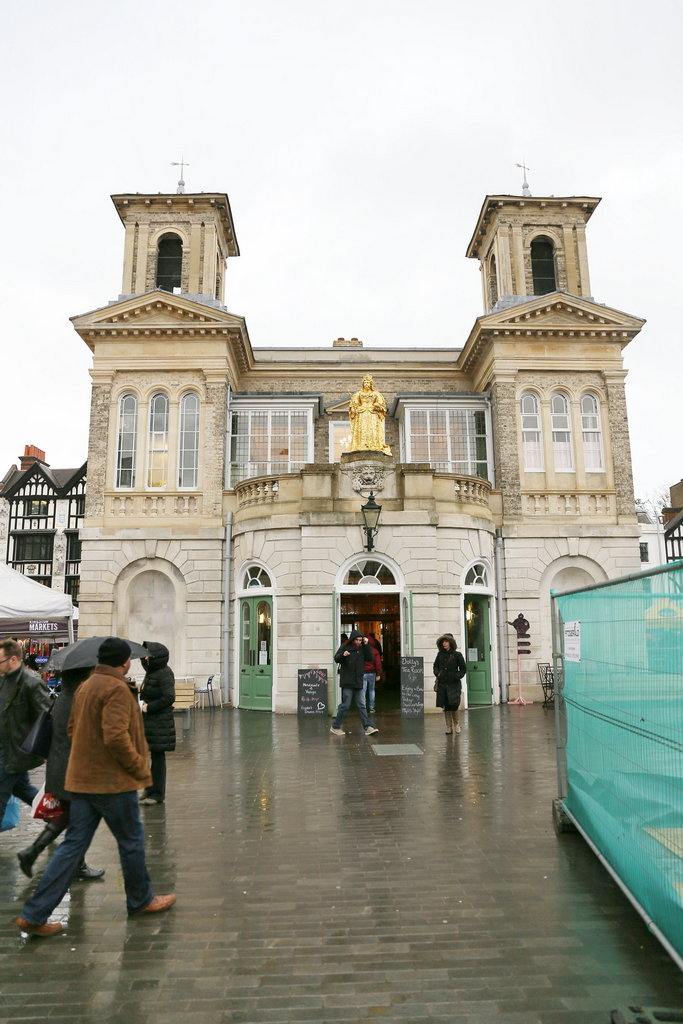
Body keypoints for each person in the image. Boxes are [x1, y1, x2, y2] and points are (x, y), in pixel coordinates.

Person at [15, 636, 176, 937]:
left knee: (73, 845)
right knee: (131, 841)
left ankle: (34, 914)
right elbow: (115, 737)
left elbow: (74, 729)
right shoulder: (115, 688)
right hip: (111, 782)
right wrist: (138, 767)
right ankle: (141, 899)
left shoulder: (85, 686)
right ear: (123, 661)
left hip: (83, 779)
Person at [17, 666, 104, 881]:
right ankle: (71, 866)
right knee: (79, 821)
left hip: (60, 768)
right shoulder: (77, 699)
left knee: (68, 817)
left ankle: (32, 852)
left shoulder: (64, 697)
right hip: (72, 770)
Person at [0, 638, 52, 825]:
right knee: (22, 789)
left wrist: (46, 750)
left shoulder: (31, 682)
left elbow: (45, 718)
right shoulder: (4, 680)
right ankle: (55, 820)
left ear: (13, 659)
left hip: (17, 751)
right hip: (5, 748)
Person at [139, 641, 176, 805]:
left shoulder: (164, 673)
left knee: (158, 758)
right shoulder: (151, 672)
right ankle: (149, 788)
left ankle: (157, 794)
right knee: (147, 755)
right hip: (149, 720)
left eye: (147, 655)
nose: (145, 658)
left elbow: (169, 697)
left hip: (160, 721)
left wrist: (149, 707)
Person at [330, 630, 379, 737]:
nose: (358, 642)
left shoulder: (362, 648)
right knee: (345, 705)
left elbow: (369, 658)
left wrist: (366, 645)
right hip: (347, 681)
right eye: (357, 640)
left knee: (361, 705)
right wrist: (343, 655)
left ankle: (367, 727)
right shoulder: (345, 646)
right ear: (353, 639)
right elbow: (336, 658)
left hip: (358, 681)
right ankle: (335, 726)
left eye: (360, 640)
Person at [348, 374, 392, 454]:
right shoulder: (358, 394)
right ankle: (360, 444)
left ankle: (374, 444)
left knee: (372, 428)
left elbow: (381, 404)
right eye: (365, 383)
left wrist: (377, 406)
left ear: (371, 384)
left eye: (368, 383)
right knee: (362, 428)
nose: (367, 384)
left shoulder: (376, 394)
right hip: (362, 413)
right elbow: (354, 404)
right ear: (363, 384)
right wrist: (354, 408)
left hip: (373, 414)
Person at [433, 633, 466, 735]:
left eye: (446, 641)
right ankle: (448, 727)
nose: (444, 643)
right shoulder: (440, 655)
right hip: (443, 684)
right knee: (446, 705)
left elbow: (463, 669)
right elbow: (435, 666)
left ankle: (457, 724)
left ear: (451, 643)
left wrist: (456, 676)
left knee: (454, 704)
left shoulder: (457, 655)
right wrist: (438, 673)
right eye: (443, 641)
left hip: (454, 684)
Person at [361, 635, 382, 714]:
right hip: (372, 673)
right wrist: (378, 674)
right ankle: (372, 708)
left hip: (363, 673)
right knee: (372, 690)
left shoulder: (362, 650)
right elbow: (378, 663)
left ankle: (363, 707)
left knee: (363, 690)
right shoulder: (375, 651)